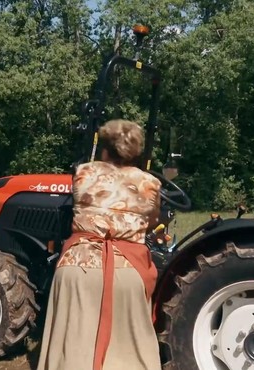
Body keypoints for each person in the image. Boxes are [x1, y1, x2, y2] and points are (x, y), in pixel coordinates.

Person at [37, 119, 162, 370]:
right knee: (129, 353)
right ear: (135, 152)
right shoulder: (150, 183)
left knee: (73, 348)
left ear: (104, 150)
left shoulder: (83, 173)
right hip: (127, 272)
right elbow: (153, 222)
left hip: (77, 268)